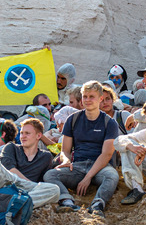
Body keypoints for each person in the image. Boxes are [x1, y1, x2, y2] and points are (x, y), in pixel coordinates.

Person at [42, 81, 121, 217]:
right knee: (50, 175)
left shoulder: (110, 123)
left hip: (100, 166)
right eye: (85, 96)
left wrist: (88, 177)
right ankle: (67, 201)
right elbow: (65, 150)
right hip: (77, 165)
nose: (88, 100)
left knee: (112, 176)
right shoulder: (72, 120)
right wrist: (66, 161)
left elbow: (107, 154)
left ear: (100, 99)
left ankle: (98, 204)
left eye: (92, 96)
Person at [0, 119, 61, 209]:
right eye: (21, 133)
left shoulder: (45, 156)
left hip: (28, 188)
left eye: (27, 133)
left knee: (54, 189)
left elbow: (42, 181)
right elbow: (9, 169)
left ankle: (13, 203)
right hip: (9, 180)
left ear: (39, 135)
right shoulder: (11, 147)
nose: (23, 136)